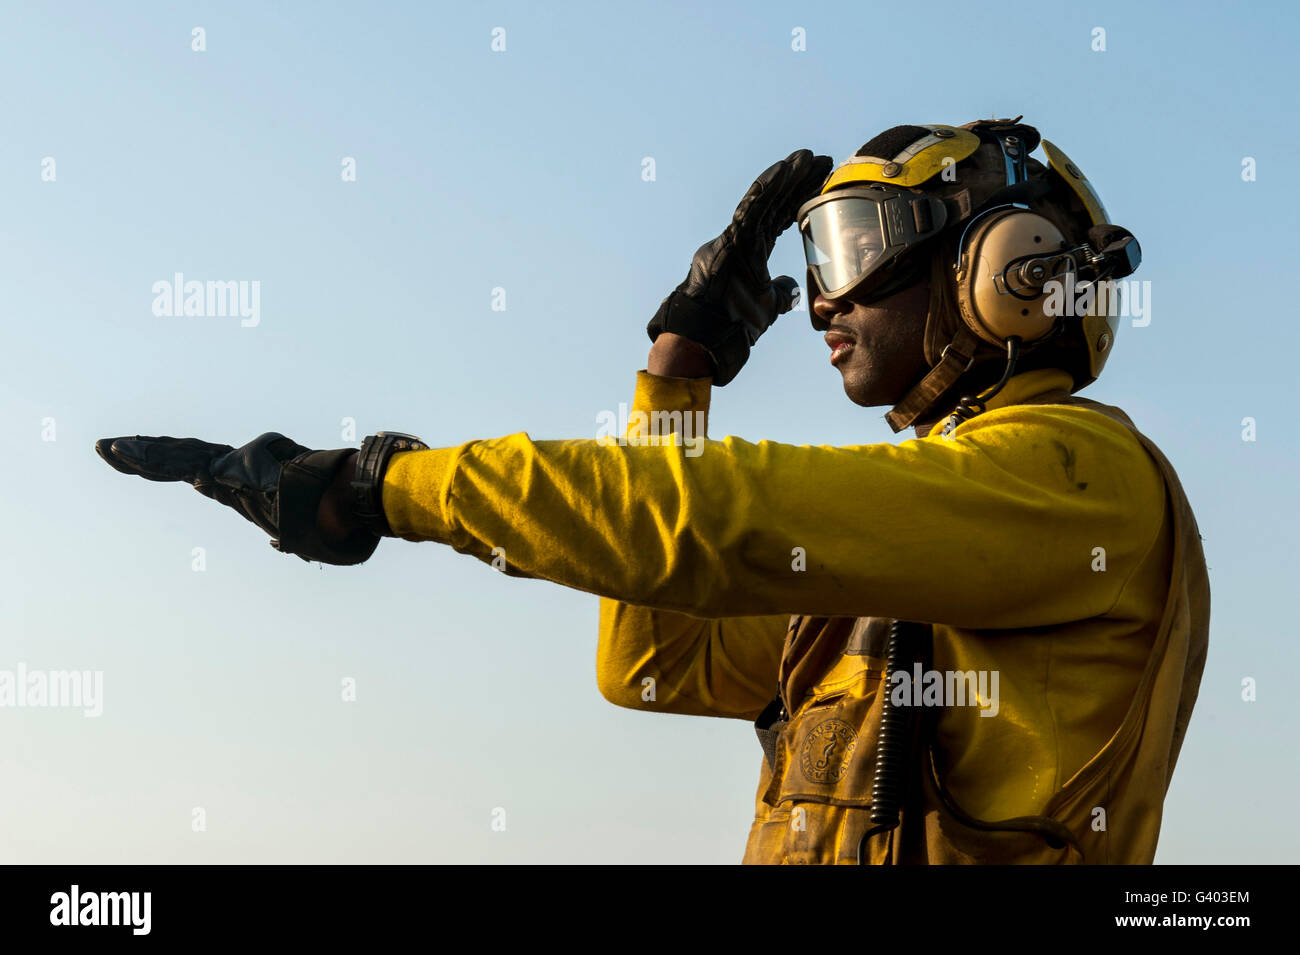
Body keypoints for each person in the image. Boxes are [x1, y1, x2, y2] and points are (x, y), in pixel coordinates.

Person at [97, 117, 1209, 865]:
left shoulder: (1078, 475)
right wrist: (676, 372)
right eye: (817, 258)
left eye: (861, 248)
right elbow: (652, 660)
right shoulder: (915, 554)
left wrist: (383, 485)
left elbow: (713, 522)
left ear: (1005, 267)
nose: (824, 303)